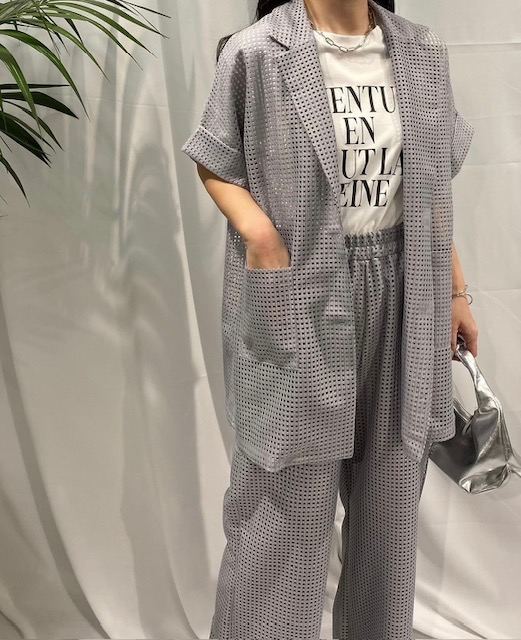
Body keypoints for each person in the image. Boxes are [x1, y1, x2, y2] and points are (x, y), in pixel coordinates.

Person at [181, 0, 479, 638]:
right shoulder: (258, 51)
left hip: (408, 294)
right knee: (282, 509)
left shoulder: (423, 51)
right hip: (303, 292)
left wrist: (456, 291)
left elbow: (430, 186)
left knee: (390, 509)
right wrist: (260, 235)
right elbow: (215, 157)